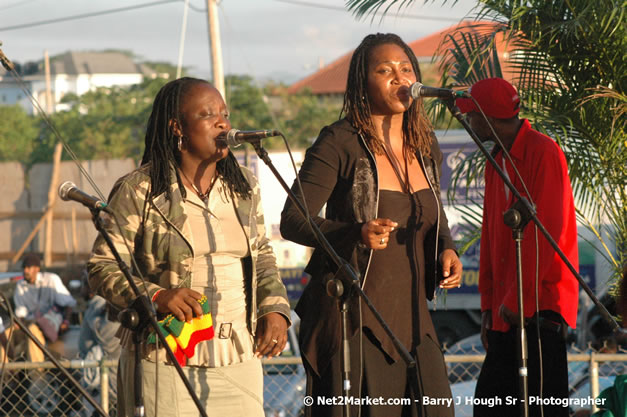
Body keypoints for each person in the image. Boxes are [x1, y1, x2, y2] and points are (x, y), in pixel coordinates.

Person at [280, 33, 462, 417]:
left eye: (406, 68)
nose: (400, 77)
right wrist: (354, 232)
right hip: (355, 318)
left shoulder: (424, 144)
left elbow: (435, 213)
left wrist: (447, 246)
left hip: (415, 320)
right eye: (385, 70)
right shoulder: (339, 141)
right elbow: (293, 219)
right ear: (363, 84)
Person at [87, 77, 291, 417]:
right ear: (177, 127)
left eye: (224, 113)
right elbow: (102, 267)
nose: (223, 122)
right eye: (208, 114)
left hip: (239, 354)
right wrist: (157, 296)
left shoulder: (244, 186)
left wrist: (275, 307)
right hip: (166, 356)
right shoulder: (141, 191)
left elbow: (262, 255)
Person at [455, 77, 579, 417]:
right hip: (507, 312)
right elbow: (492, 237)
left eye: (472, 116)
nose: (468, 122)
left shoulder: (543, 152)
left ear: (489, 117)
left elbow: (547, 234)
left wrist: (513, 302)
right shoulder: (496, 160)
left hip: (538, 308)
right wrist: (488, 306)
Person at [12, 252, 76, 363]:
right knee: (5, 330)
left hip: (50, 322)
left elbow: (68, 303)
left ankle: (37, 374)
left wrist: (66, 321)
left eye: (28, 267)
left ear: (37, 269)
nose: (25, 271)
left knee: (32, 330)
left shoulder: (51, 280)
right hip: (30, 322)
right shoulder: (20, 286)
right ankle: (7, 372)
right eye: (24, 268)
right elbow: (21, 312)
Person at [77, 269, 121, 416]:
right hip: (103, 379)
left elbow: (108, 338)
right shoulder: (96, 305)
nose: (81, 289)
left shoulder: (100, 305)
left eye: (84, 284)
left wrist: (93, 320)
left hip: (109, 382)